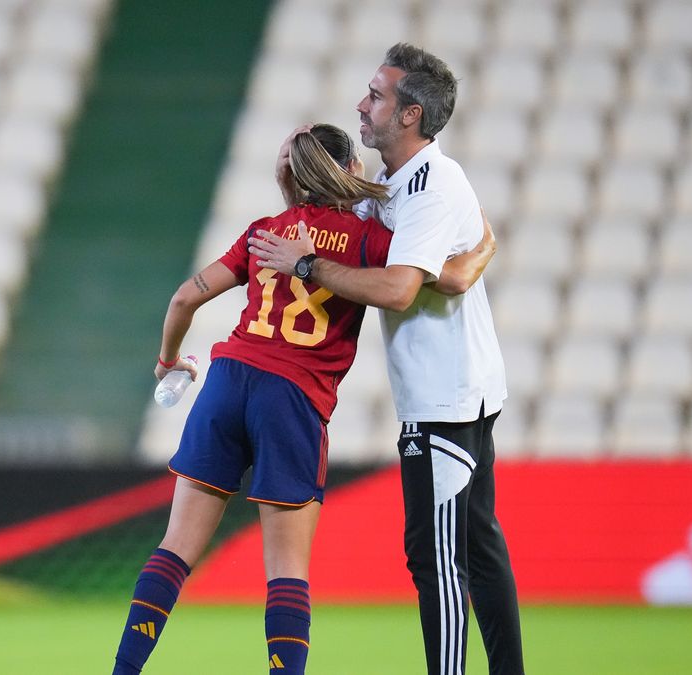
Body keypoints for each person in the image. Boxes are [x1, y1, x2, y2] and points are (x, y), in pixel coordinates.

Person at [111, 123, 495, 675]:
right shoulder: (369, 243)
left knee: (175, 549)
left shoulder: (265, 232)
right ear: (352, 172)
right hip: (291, 398)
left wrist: (169, 361)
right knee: (286, 569)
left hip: (226, 382)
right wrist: (484, 248)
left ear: (288, 175)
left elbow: (183, 298)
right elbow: (450, 279)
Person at [251, 43, 524, 675]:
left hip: (446, 399)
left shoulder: (433, 181)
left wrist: (307, 265)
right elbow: (448, 257)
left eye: (376, 95)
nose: (361, 104)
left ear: (410, 115)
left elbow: (399, 286)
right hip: (445, 394)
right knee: (474, 548)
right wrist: (464, 266)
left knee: (437, 559)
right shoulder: (389, 191)